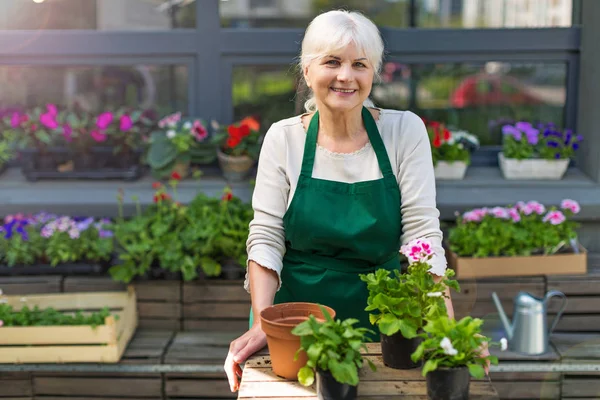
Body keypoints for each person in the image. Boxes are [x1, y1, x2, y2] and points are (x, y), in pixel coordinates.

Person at [224, 10, 464, 392]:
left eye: (360, 65)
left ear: (374, 74)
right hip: (298, 318)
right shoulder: (283, 139)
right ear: (307, 71)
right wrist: (263, 324)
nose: (345, 76)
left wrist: (446, 331)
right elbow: (266, 237)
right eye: (332, 62)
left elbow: (422, 236)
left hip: (385, 316)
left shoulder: (404, 132)